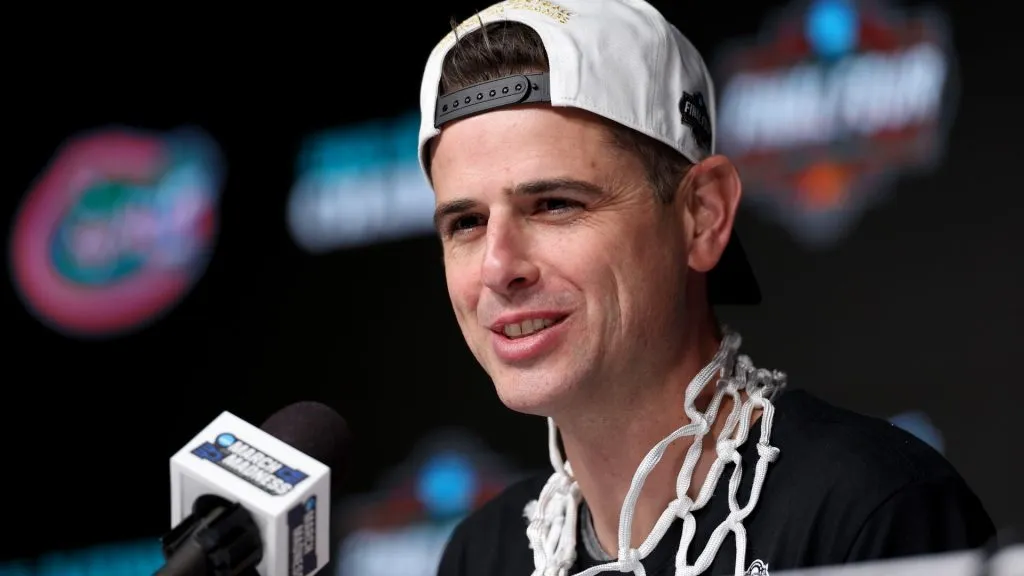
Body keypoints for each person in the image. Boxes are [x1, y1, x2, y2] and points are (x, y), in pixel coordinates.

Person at [415, 1, 995, 575]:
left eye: (555, 205)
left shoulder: (866, 513)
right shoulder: (481, 555)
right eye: (466, 223)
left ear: (703, 214)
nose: (497, 267)